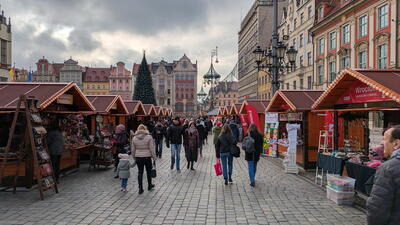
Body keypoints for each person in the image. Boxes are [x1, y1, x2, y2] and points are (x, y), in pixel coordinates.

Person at [367, 126, 400, 225]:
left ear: (396, 144)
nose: (382, 143)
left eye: (385, 139)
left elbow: (377, 208)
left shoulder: (388, 169)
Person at [131, 124, 156, 195]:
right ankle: (149, 185)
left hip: (138, 157)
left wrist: (134, 157)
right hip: (147, 157)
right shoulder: (149, 137)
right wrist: (154, 157)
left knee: (140, 172)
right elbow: (152, 148)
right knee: (148, 171)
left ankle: (140, 188)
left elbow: (133, 149)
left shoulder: (134, 138)